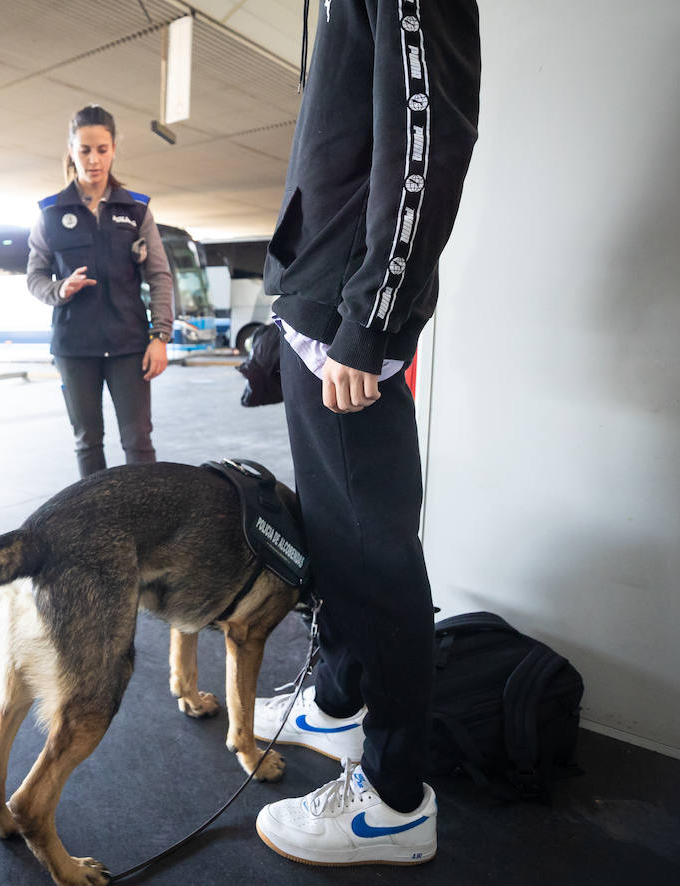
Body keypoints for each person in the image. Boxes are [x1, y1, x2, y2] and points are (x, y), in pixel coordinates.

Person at [252, 0, 481, 867]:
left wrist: (372, 323)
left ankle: (392, 800)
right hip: (320, 299)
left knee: (377, 557)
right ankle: (341, 704)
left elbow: (427, 141)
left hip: (351, 312)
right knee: (341, 543)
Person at [25, 104, 173, 478]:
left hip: (129, 346)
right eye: (85, 150)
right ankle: (95, 531)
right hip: (75, 349)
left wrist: (160, 337)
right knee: (87, 442)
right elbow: (34, 279)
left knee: (138, 441)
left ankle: (147, 523)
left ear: (113, 149)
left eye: (102, 149)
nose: (93, 159)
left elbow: (159, 275)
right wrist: (61, 289)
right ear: (72, 150)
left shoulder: (136, 210)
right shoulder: (50, 214)